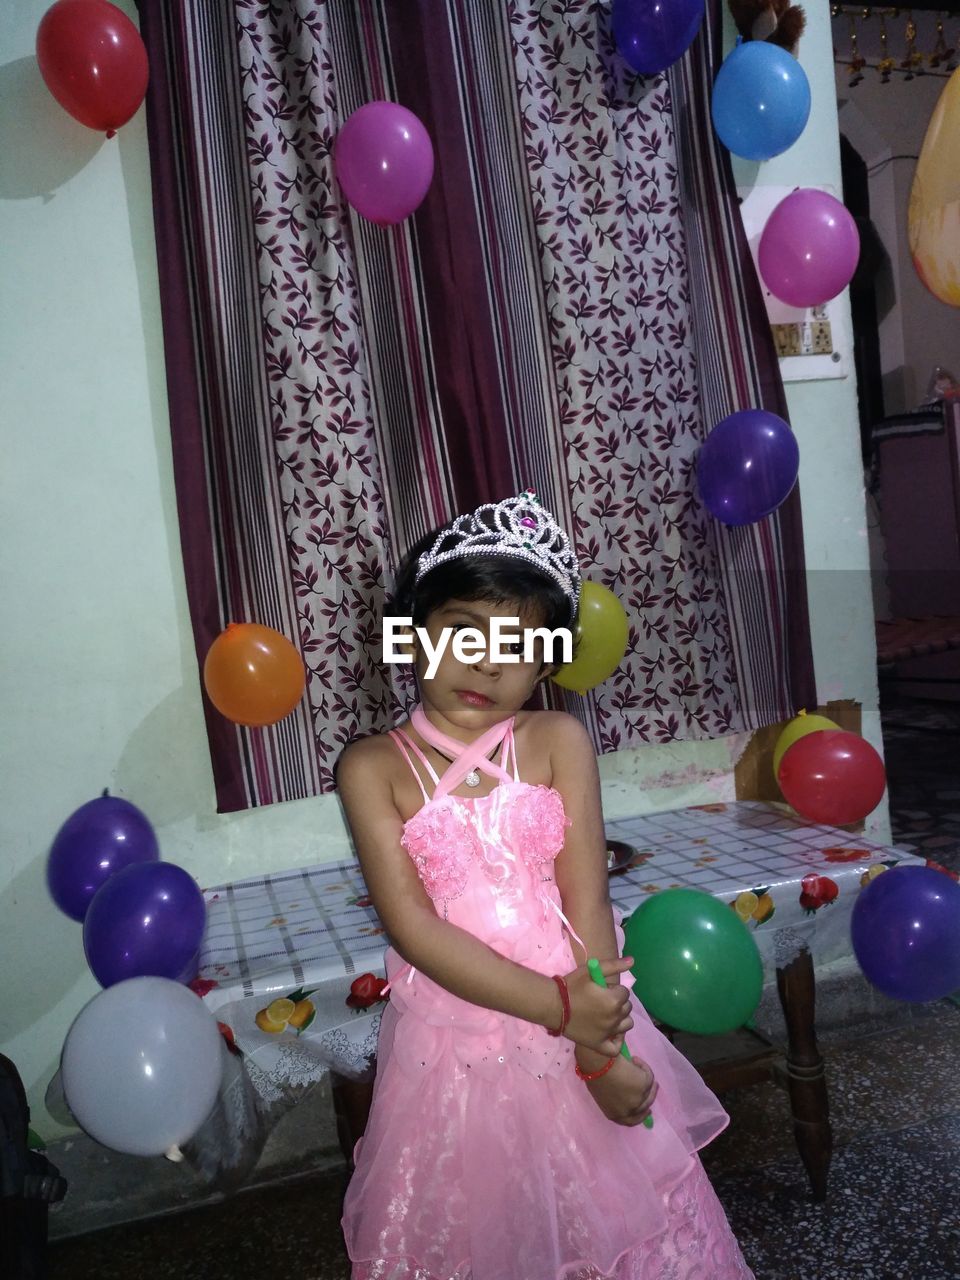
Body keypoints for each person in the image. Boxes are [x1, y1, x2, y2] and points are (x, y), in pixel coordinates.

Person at [337, 490, 755, 1280]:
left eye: (518, 646)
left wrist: (602, 1050)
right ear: (410, 630)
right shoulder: (372, 768)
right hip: (457, 1052)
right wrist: (560, 1011)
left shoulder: (558, 739)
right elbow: (415, 930)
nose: (487, 664)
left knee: (626, 1223)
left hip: (580, 1021)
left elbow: (587, 899)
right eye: (462, 631)